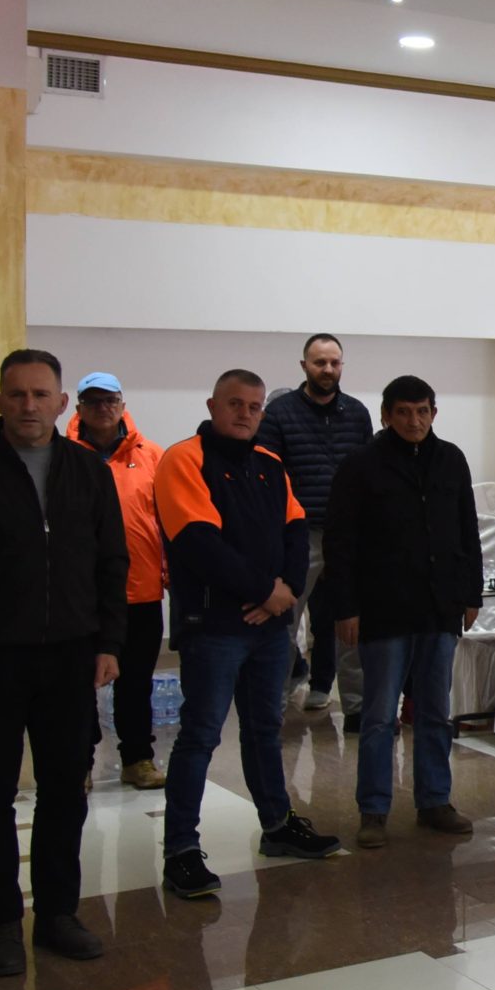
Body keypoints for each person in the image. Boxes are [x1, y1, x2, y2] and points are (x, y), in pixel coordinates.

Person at [0, 349, 126, 974]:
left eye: (40, 394)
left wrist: (109, 642)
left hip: (70, 655)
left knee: (65, 791)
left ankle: (56, 914)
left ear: (61, 403)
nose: (28, 405)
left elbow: (111, 559)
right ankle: (0, 921)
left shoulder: (87, 469)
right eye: (16, 394)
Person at [155, 369, 342, 900]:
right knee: (200, 736)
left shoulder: (269, 465)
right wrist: (268, 592)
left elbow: (296, 531)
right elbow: (198, 543)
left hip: (268, 628)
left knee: (264, 730)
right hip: (213, 626)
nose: (245, 413)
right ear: (212, 405)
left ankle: (277, 825)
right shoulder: (182, 460)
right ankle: (181, 850)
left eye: (255, 406)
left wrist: (283, 592)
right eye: (235, 403)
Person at [326, 374, 483, 847]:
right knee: (379, 715)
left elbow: (467, 529)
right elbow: (340, 542)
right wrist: (345, 606)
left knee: (435, 711)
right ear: (386, 415)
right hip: (384, 608)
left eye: (422, 411)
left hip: (439, 606)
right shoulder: (361, 465)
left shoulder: (451, 459)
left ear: (434, 413)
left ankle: (434, 800)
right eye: (404, 412)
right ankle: (373, 810)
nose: (414, 421)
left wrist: (471, 594)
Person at [254, 334, 372, 717]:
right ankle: (272, 708)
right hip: (298, 535)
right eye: (320, 362)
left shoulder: (357, 413)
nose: (327, 369)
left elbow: (367, 473)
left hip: (349, 536)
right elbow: (266, 476)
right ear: (304, 365)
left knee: (352, 624)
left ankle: (357, 710)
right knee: (283, 624)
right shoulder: (279, 413)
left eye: (334, 363)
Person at [64, 373, 168, 790]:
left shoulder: (152, 455)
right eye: (93, 401)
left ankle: (137, 758)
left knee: (136, 682)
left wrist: (168, 570)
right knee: (78, 682)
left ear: (123, 405)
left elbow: (167, 517)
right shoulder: (64, 456)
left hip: (140, 590)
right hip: (82, 593)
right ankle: (80, 761)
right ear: (79, 409)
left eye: (110, 401)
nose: (103, 408)